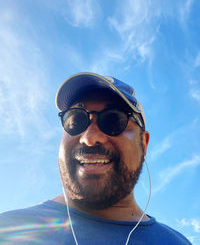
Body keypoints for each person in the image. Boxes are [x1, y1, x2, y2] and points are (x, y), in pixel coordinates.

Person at [0, 72, 192, 245]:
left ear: (144, 143)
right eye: (76, 120)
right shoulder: (7, 232)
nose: (89, 138)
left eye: (114, 120)